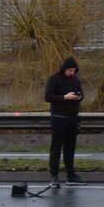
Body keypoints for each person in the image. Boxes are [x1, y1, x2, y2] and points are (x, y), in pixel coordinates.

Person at [43, 56, 85, 188]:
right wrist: (64, 97)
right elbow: (48, 97)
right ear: (64, 69)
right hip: (58, 118)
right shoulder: (54, 79)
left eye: (74, 71)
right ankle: (54, 175)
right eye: (70, 70)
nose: (72, 73)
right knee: (56, 147)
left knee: (70, 147)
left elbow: (81, 94)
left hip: (72, 118)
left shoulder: (75, 79)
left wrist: (79, 96)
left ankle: (71, 174)